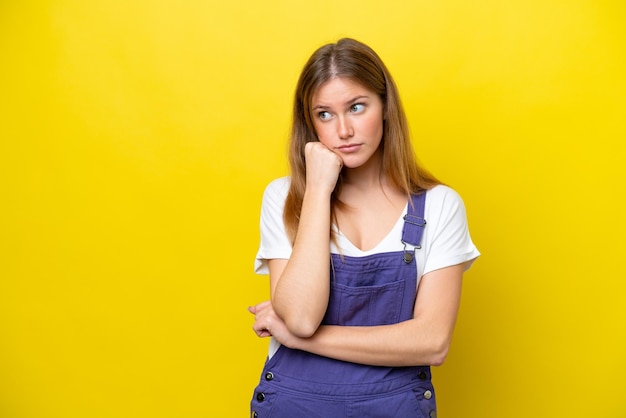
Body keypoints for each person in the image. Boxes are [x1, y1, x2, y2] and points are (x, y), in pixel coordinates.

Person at [248, 37, 480, 418]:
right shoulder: (285, 198)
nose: (343, 130)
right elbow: (302, 315)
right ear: (310, 123)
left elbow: (433, 342)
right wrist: (319, 188)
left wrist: (302, 340)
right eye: (324, 114)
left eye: (356, 107)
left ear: (385, 106)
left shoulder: (439, 206)